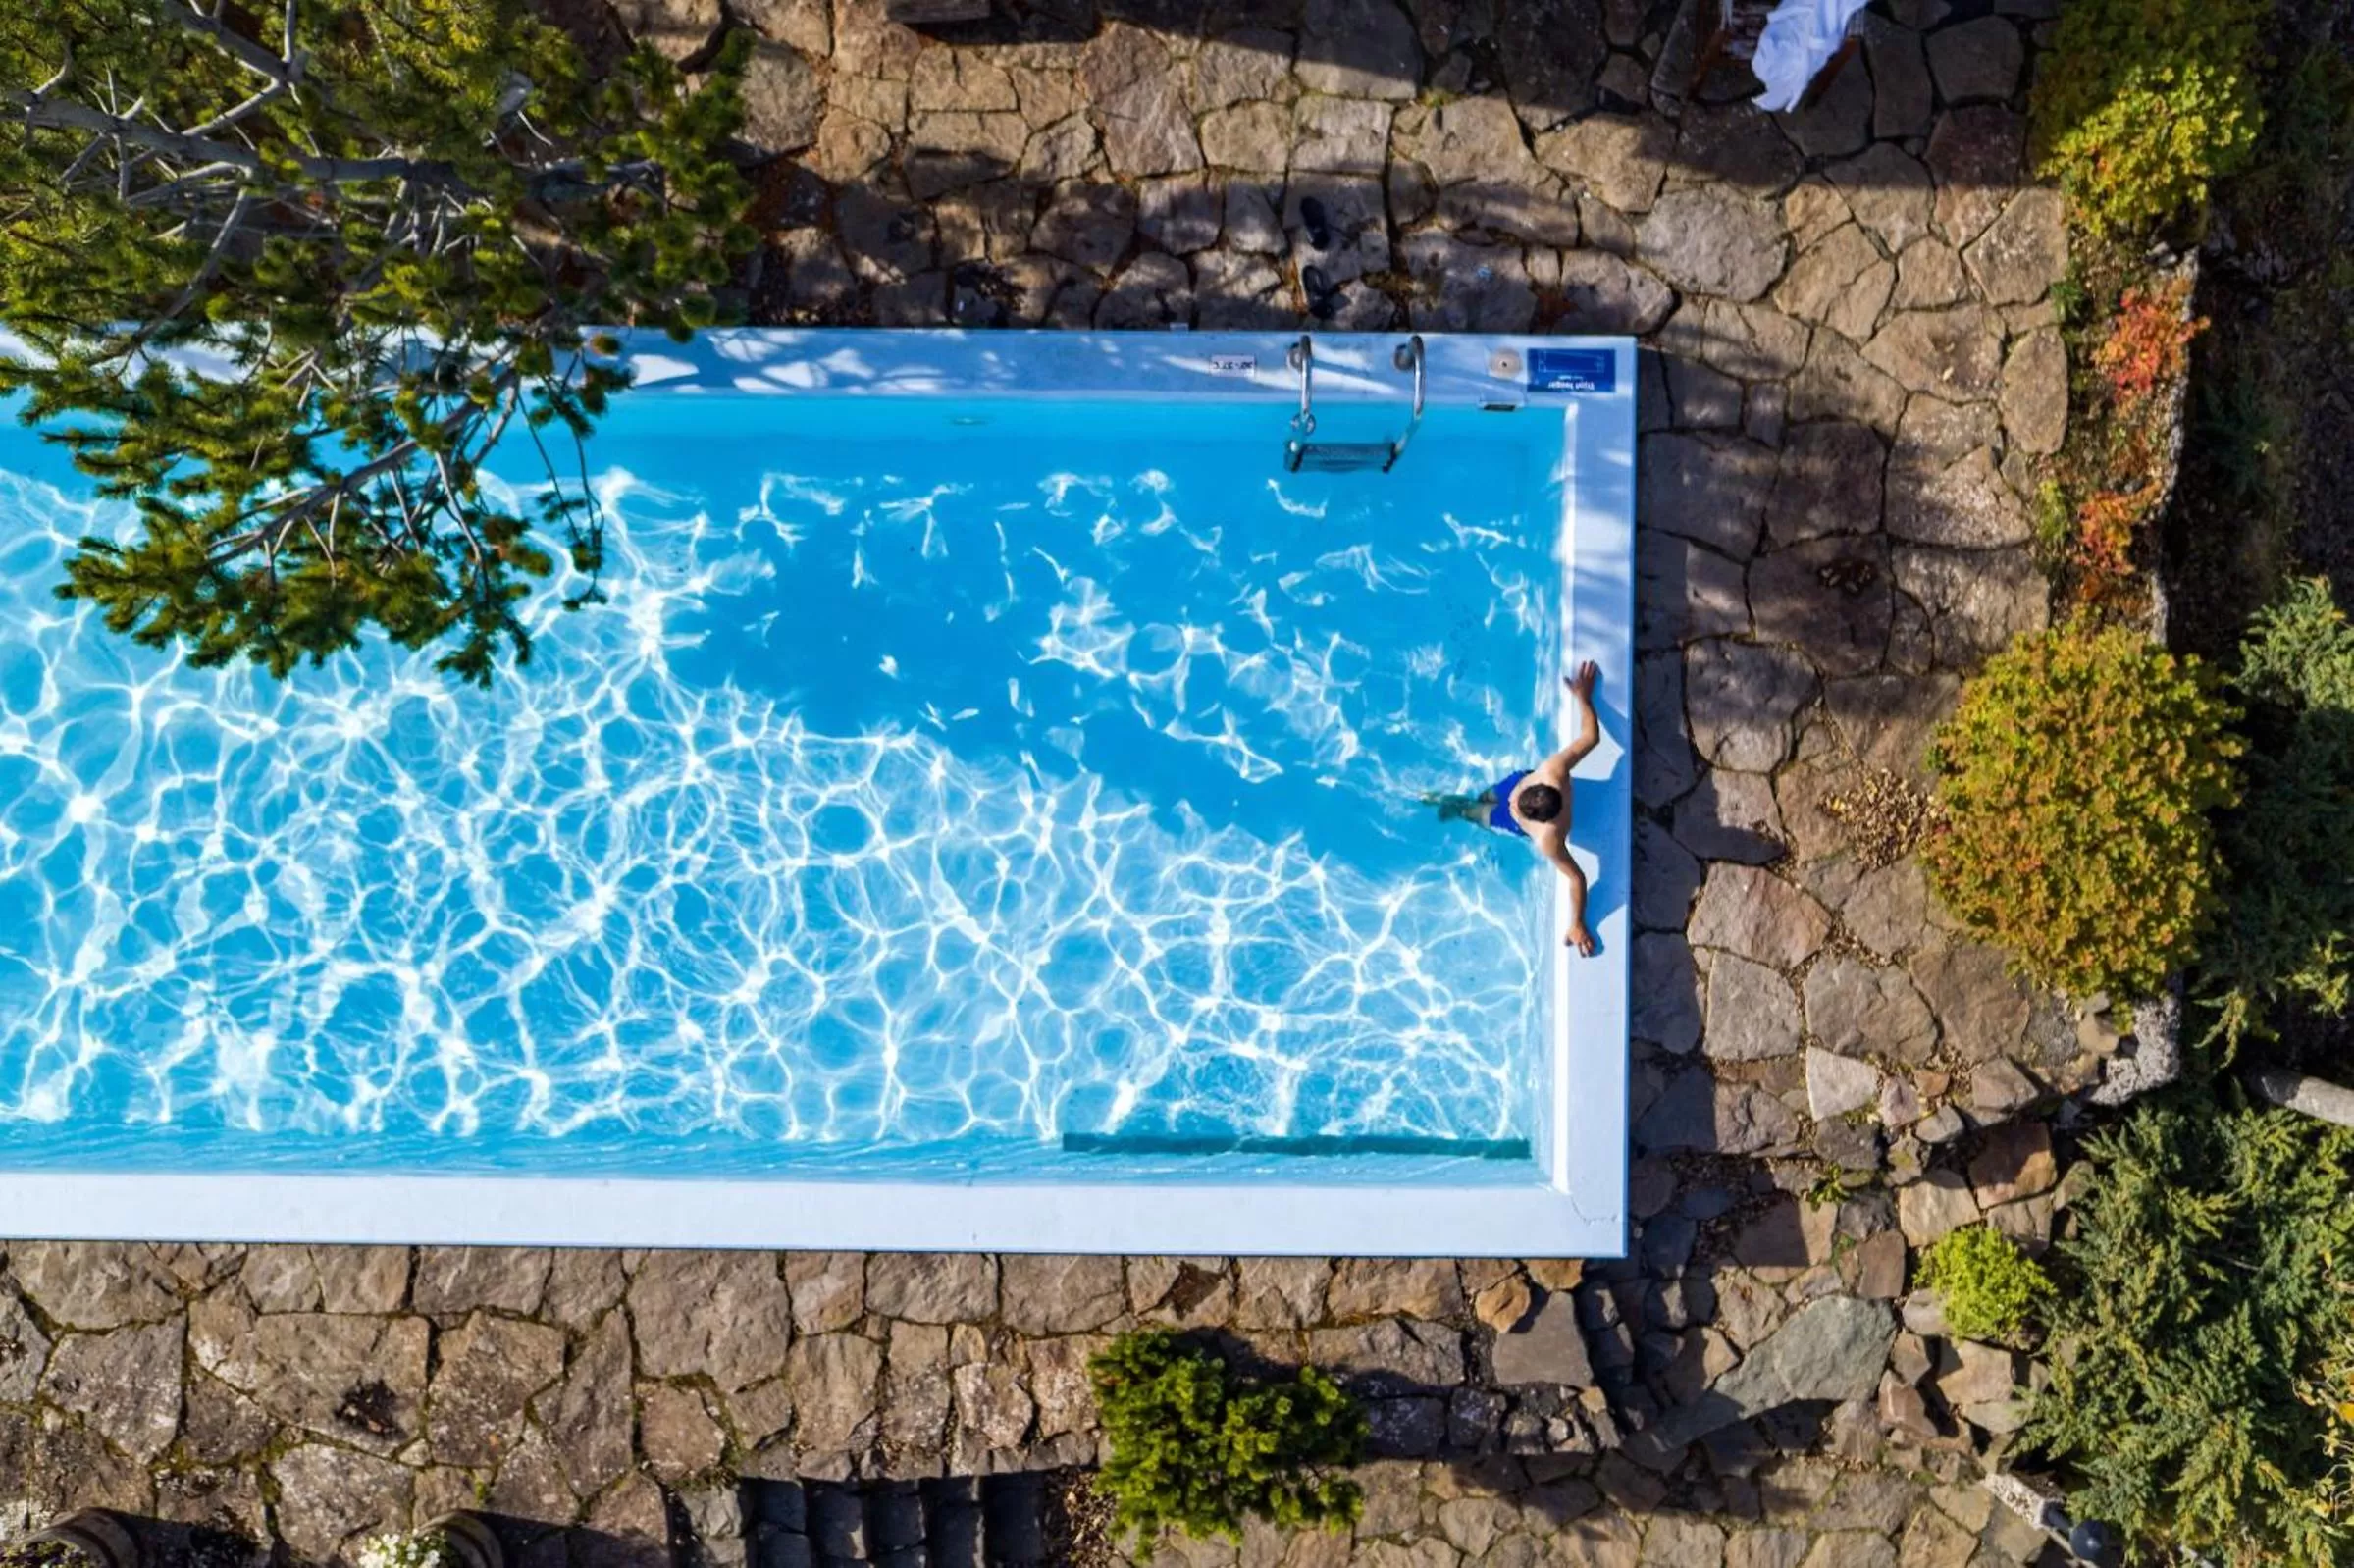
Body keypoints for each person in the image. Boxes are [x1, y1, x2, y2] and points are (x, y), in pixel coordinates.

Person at [1421, 661, 1602, 956]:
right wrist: (1584, 699)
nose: (1513, 805)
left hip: (1509, 806)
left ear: (1541, 820)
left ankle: (1451, 807)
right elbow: (1591, 737)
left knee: (1471, 810)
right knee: (1484, 800)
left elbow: (1576, 878)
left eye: (1519, 806)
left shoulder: (1548, 834)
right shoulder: (1553, 774)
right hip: (1511, 790)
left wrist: (1577, 922)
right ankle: (1459, 803)